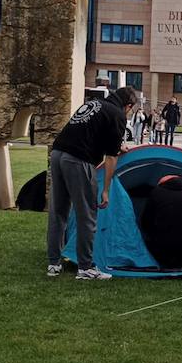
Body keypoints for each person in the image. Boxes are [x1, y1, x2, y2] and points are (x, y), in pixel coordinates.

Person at [46, 84, 139, 281]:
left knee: (59, 212)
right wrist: (105, 190)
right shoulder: (117, 115)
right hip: (78, 160)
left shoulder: (95, 104)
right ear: (128, 106)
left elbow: (95, 136)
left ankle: (54, 263)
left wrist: (115, 147)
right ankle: (85, 268)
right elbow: (111, 158)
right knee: (87, 214)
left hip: (57, 154)